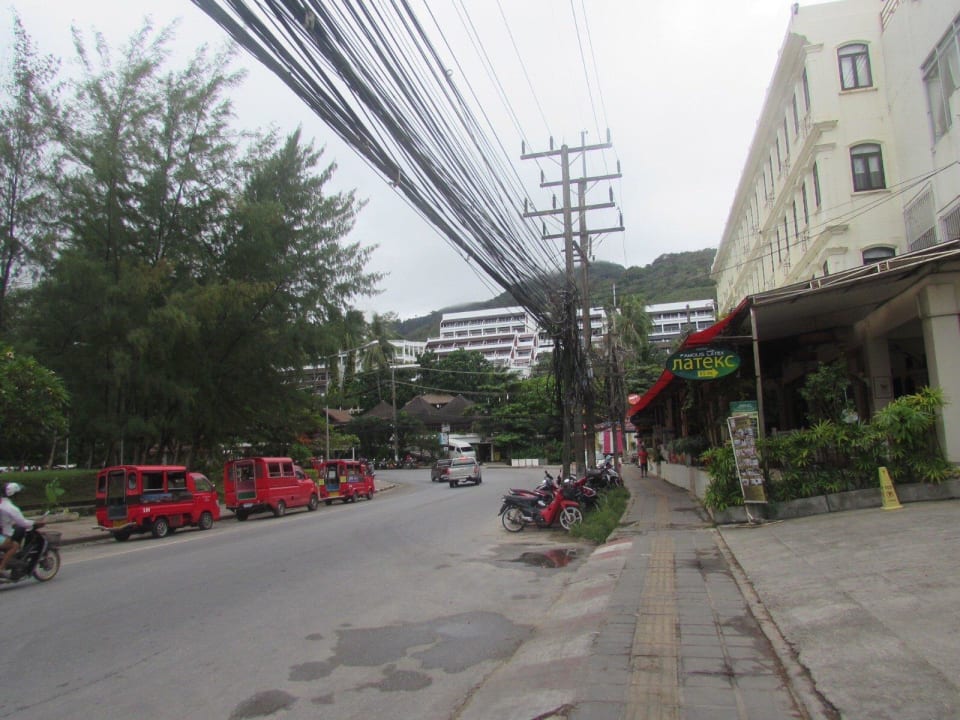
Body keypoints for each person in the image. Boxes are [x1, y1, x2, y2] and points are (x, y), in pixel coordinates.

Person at [0, 482, 35, 577]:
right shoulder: (10, 508)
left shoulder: (2, 504)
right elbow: (23, 522)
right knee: (14, 546)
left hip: (3, 532)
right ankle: (1, 568)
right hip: (2, 536)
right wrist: (34, 522)